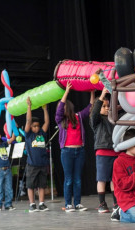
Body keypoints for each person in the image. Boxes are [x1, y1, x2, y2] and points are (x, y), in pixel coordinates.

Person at [55, 82, 94, 212]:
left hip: (79, 150)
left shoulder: (78, 117)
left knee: (77, 179)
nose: (61, 108)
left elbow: (90, 107)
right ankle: (68, 204)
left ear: (69, 108)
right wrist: (66, 91)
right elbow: (60, 108)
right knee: (69, 179)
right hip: (67, 151)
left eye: (64, 106)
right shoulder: (61, 120)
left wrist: (92, 92)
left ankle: (77, 203)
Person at [90, 86, 119, 213]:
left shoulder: (112, 119)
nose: (107, 108)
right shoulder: (96, 120)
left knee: (114, 179)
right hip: (102, 152)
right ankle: (102, 203)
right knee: (102, 178)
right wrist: (101, 96)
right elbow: (95, 111)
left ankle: (116, 203)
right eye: (104, 106)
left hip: (115, 151)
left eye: (108, 106)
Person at [24, 97, 50, 212]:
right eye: (34, 126)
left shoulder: (42, 133)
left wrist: (45, 109)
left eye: (37, 126)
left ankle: (42, 203)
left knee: (42, 185)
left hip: (42, 164)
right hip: (32, 165)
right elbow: (28, 121)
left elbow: (47, 122)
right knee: (31, 185)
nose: (36, 127)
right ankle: (32, 204)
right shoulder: (28, 134)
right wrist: (29, 106)